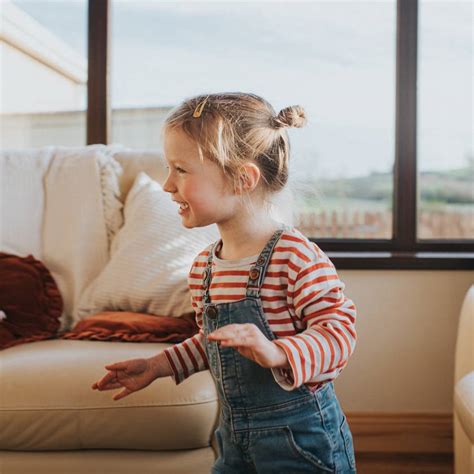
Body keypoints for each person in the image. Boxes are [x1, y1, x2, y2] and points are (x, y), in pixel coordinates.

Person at [91, 92, 358, 473]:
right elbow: (215, 344)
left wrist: (277, 352)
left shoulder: (295, 256)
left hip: (301, 442)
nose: (167, 184)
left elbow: (339, 334)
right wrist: (160, 365)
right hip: (233, 440)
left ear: (242, 178)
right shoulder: (204, 267)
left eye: (180, 170)